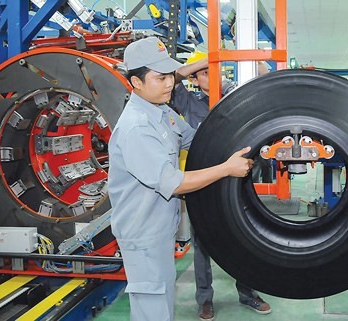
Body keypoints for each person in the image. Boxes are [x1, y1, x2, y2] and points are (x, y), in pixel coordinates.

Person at [108, 37, 254, 321]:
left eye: (170, 77)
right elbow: (173, 182)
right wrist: (226, 168)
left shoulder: (161, 112)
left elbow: (196, 139)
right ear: (136, 82)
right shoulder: (137, 128)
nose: (169, 84)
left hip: (161, 227)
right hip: (143, 234)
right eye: (160, 78)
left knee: (163, 303)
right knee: (153, 309)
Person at [173, 55, 272, 321]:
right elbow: (175, 77)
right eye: (205, 73)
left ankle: (248, 293)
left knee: (245, 238)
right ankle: (205, 300)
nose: (212, 76)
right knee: (203, 243)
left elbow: (263, 77)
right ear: (196, 78)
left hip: (236, 180)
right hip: (203, 182)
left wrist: (242, 62)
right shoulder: (188, 102)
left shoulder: (233, 97)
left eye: (216, 71)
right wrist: (207, 58)